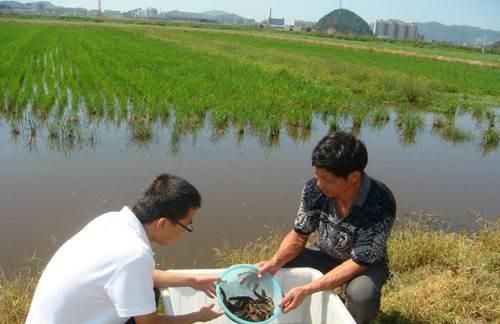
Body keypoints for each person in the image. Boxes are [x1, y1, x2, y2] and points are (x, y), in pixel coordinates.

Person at [26, 174, 224, 324]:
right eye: (187, 225)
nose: (187, 231)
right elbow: (149, 323)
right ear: (162, 223)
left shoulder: (111, 221)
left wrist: (192, 281)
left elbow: (138, 275)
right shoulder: (134, 255)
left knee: (149, 292)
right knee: (147, 299)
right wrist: (197, 317)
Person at [257, 132, 396, 324]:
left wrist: (308, 289)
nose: (319, 184)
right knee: (281, 264)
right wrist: (275, 262)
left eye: (327, 179)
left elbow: (359, 261)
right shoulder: (314, 189)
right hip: (326, 254)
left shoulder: (380, 202)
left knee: (363, 293)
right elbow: (299, 234)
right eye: (317, 176)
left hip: (365, 265)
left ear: (354, 177)